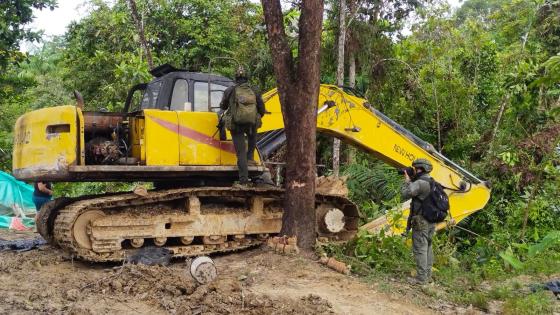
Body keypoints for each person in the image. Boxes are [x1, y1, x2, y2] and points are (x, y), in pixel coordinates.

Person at [219, 67, 266, 187]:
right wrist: (253, 117)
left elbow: (223, 107)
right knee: (253, 132)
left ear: (235, 78)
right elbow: (262, 109)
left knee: (240, 154)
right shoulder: (254, 90)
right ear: (247, 78)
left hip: (237, 125)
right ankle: (250, 156)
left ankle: (244, 181)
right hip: (251, 124)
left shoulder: (230, 90)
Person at [401, 158, 435, 285]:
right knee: (428, 247)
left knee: (420, 248)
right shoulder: (432, 182)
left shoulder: (420, 183)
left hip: (421, 220)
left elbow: (405, 194)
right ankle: (427, 275)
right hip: (431, 220)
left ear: (419, 168)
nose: (413, 170)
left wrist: (407, 181)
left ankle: (421, 279)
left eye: (415, 168)